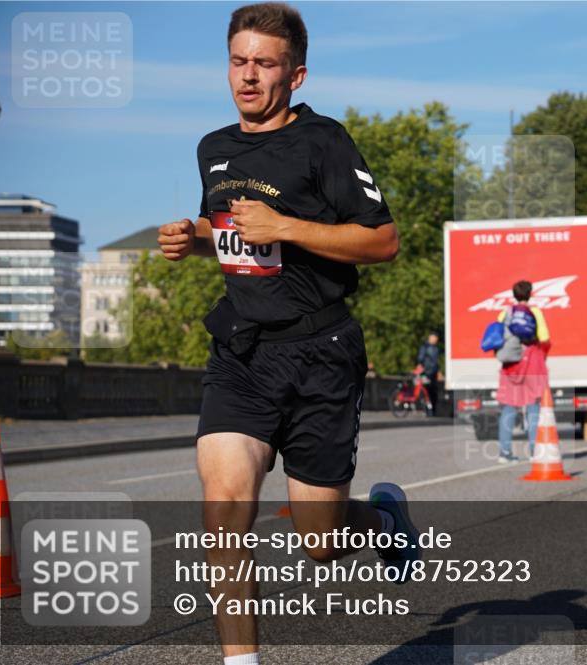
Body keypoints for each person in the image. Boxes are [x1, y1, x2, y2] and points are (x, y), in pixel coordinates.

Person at [155, 5, 416, 663]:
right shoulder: (213, 149)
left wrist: (289, 226)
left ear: (294, 74)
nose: (248, 77)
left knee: (320, 539)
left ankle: (383, 522)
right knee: (224, 504)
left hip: (320, 353)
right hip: (242, 351)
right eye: (239, 61)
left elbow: (382, 240)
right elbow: (237, 233)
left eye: (264, 64)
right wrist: (198, 238)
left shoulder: (323, 142)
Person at [496, 280, 551, 462]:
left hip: (511, 364)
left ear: (513, 294)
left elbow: (498, 338)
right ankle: (535, 451)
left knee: (509, 407)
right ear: (530, 294)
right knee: (533, 406)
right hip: (532, 362)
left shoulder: (505, 313)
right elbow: (544, 338)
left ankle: (504, 452)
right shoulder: (535, 312)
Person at [416, 331, 441, 414]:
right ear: (430, 337)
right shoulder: (425, 347)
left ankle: (432, 409)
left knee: (434, 392)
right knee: (427, 391)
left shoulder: (436, 348)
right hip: (426, 372)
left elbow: (436, 362)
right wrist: (421, 366)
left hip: (433, 372)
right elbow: (421, 358)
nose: (436, 340)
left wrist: (438, 371)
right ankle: (427, 409)